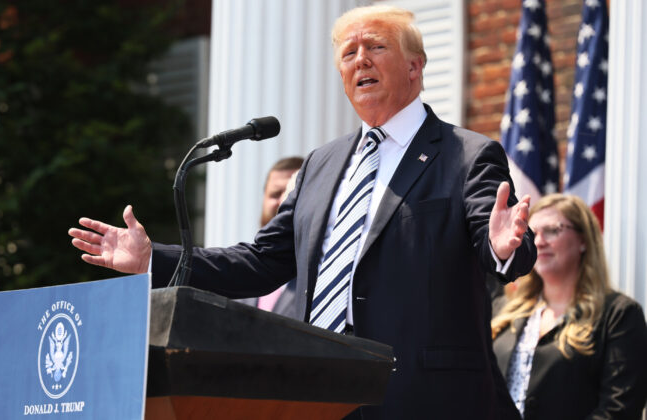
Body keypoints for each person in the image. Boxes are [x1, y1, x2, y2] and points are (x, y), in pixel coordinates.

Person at [68, 5, 536, 419]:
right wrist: (155, 259)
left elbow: (501, 242)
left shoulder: (466, 155)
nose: (361, 60)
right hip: (322, 395)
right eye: (349, 54)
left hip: (425, 396)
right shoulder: (321, 164)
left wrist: (500, 248)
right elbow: (262, 261)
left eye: (376, 46)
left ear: (415, 66)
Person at [491, 194, 647, 420]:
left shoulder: (619, 314)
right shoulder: (503, 310)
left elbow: (619, 410)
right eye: (532, 233)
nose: (539, 241)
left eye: (553, 230)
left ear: (584, 240)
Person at [235, 156, 303, 319]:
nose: (283, 201)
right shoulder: (243, 270)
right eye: (275, 194)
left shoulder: (321, 272)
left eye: (292, 193)